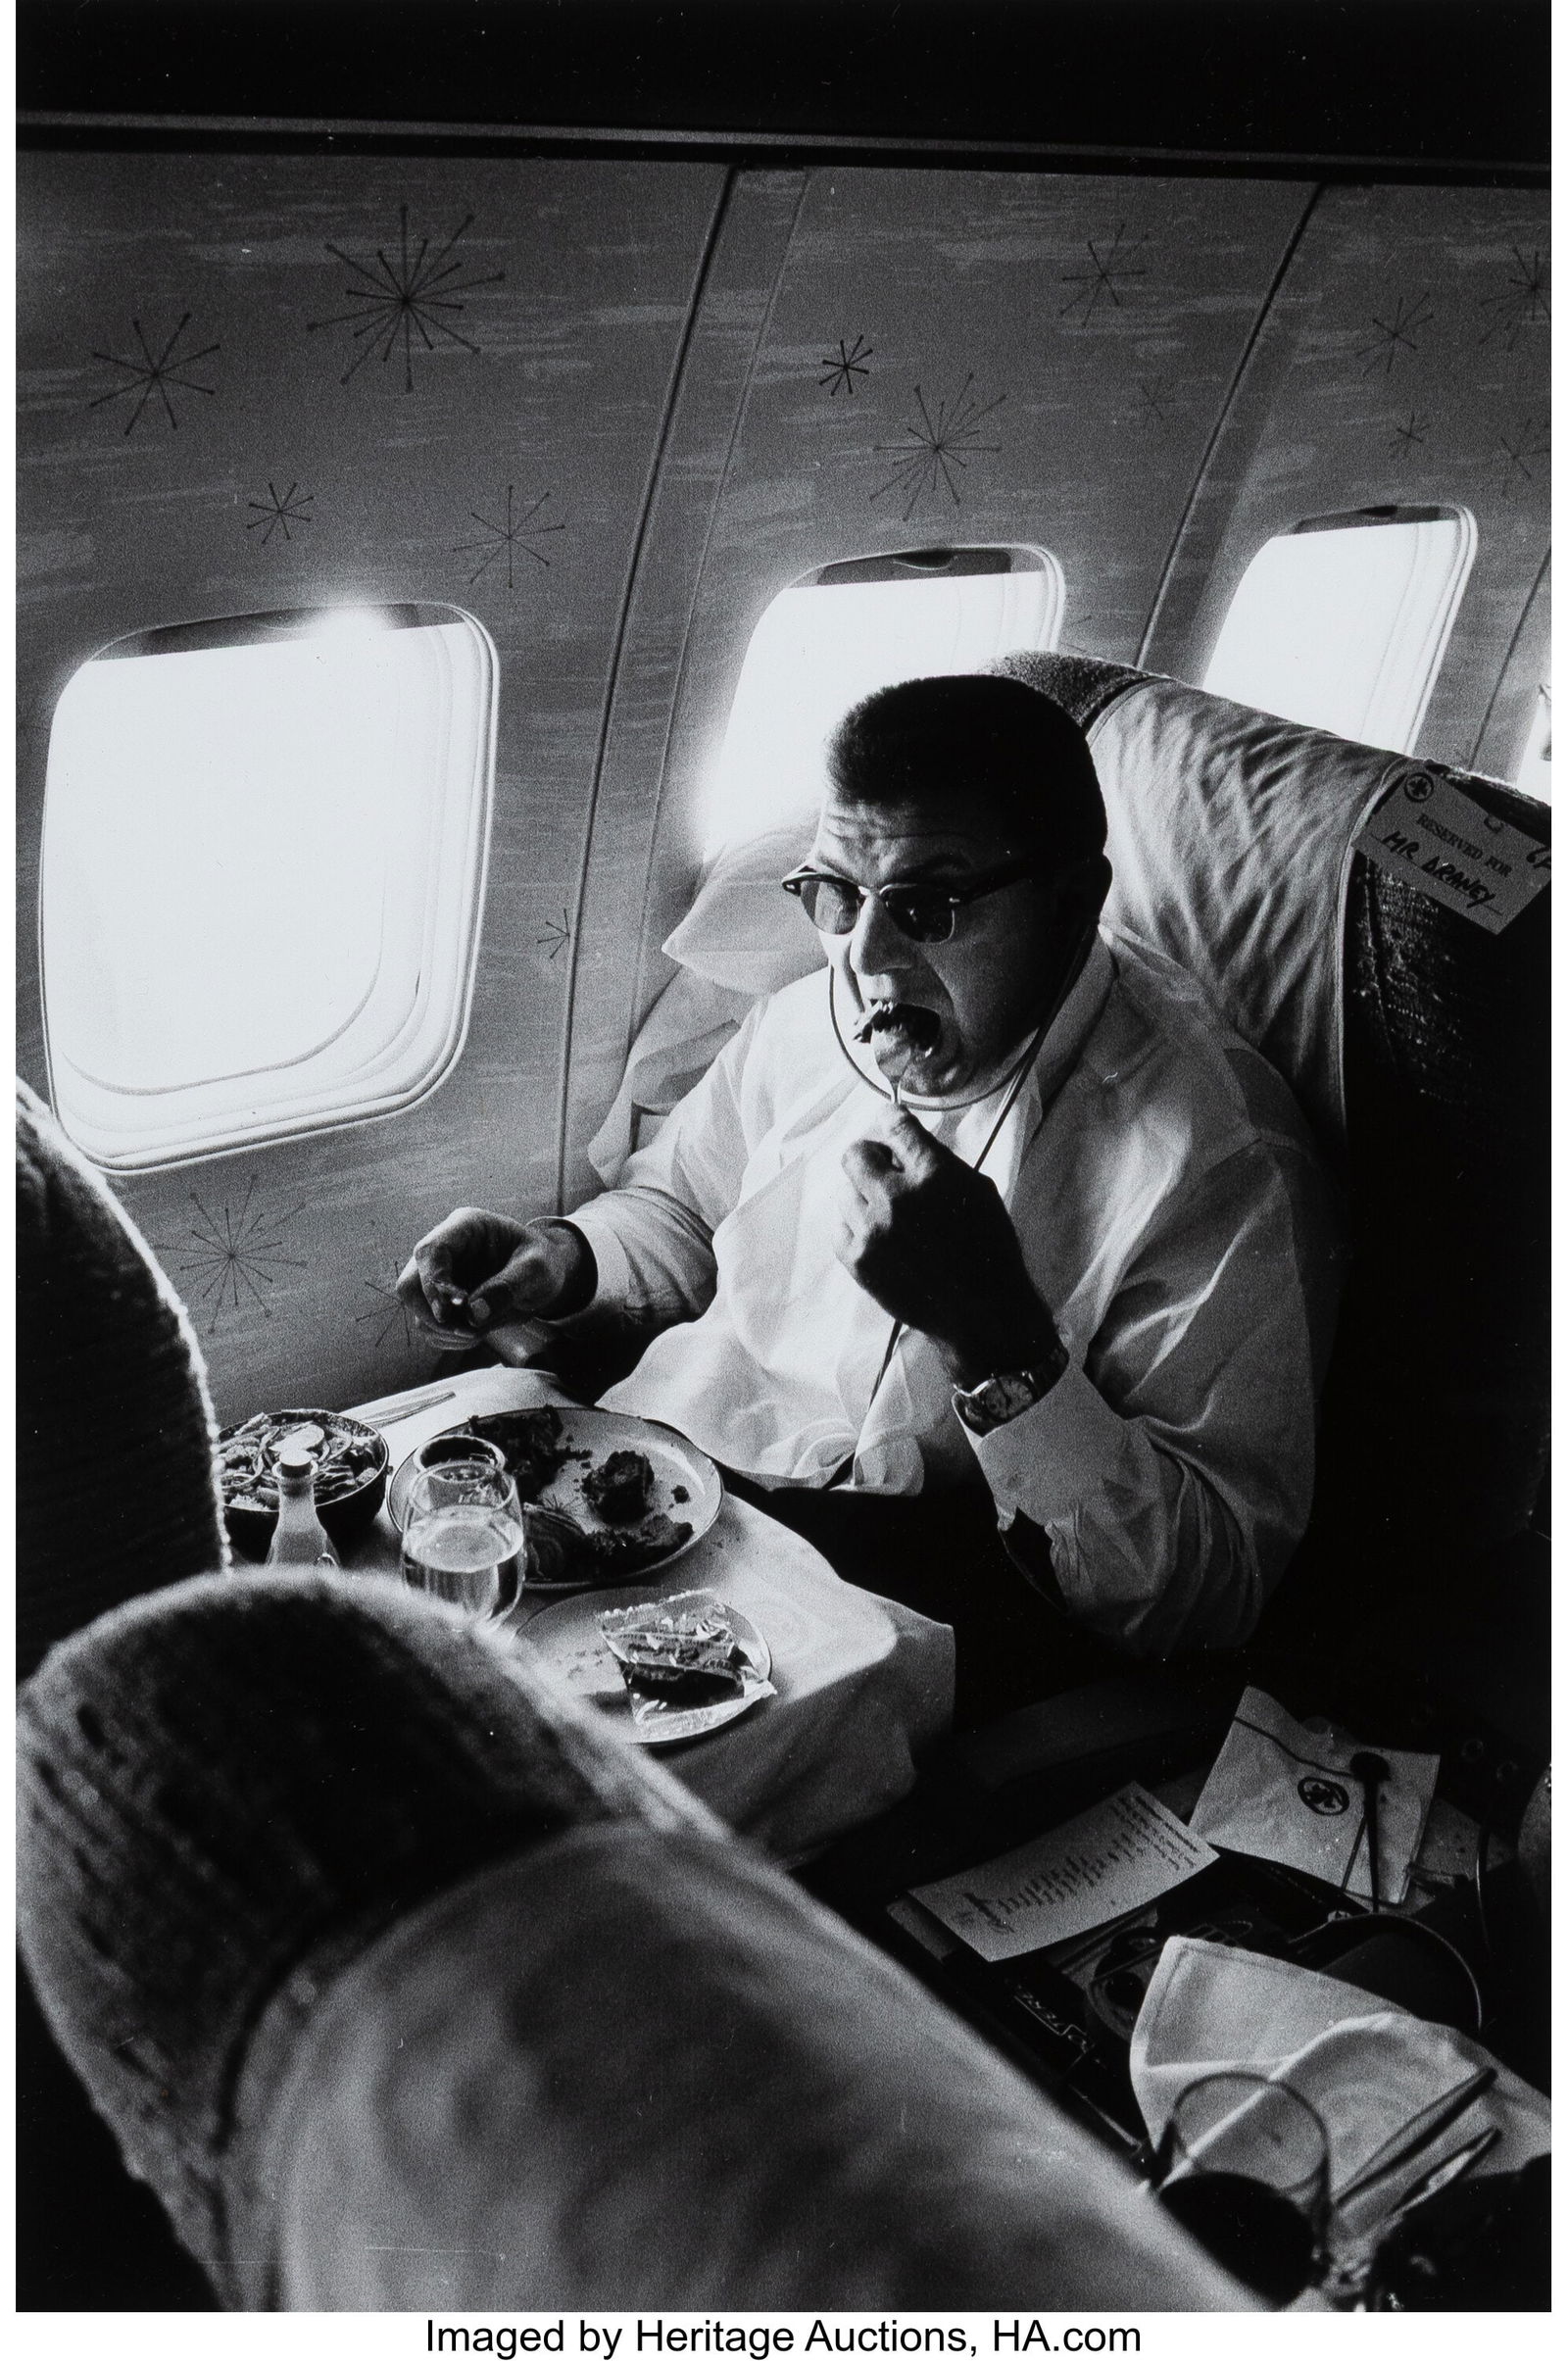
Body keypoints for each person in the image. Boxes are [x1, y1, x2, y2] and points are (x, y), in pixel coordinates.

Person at [399, 676, 1340, 1691]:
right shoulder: (810, 1020)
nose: (865, 958)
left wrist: (997, 1341)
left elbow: (1208, 1591)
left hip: (906, 1583)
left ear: (1071, 903)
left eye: (926, 907)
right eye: (838, 896)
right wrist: (566, 1258)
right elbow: (681, 1208)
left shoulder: (1213, 1161)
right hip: (669, 1486)